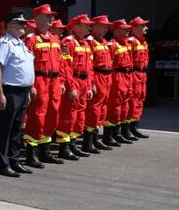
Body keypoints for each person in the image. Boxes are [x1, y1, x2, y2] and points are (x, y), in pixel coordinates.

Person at [0, 12, 35, 177]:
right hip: (9, 91)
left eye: (24, 24)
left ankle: (14, 160)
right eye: (20, 23)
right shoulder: (5, 43)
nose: (24, 26)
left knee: (17, 129)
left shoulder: (21, 44)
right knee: (5, 129)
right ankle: (2, 164)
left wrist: (28, 90)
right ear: (10, 26)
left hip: (22, 92)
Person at [23, 4, 65, 167]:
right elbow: (26, 65)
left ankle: (45, 150)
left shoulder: (55, 39)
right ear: (38, 19)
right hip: (39, 81)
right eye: (48, 16)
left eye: (52, 16)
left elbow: (60, 63)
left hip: (54, 82)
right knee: (37, 115)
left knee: (52, 114)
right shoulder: (31, 40)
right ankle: (31, 153)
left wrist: (60, 81)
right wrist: (30, 85)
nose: (51, 19)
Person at [55, 14, 95, 160]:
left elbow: (90, 67)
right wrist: (71, 86)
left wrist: (90, 86)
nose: (89, 27)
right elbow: (65, 66)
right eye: (86, 25)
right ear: (77, 26)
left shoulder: (85, 43)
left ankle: (72, 145)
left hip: (84, 83)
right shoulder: (68, 42)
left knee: (80, 115)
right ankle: (64, 148)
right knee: (69, 114)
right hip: (75, 81)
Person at [84, 15, 114, 152]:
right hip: (98, 76)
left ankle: (95, 139)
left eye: (107, 26)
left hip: (106, 77)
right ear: (94, 26)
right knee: (93, 110)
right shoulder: (90, 42)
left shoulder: (103, 42)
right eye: (103, 26)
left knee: (102, 109)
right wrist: (93, 83)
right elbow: (89, 65)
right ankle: (88, 142)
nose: (106, 28)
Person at [104, 19, 135, 146]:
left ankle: (118, 133)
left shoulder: (127, 44)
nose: (128, 30)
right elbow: (108, 65)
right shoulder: (112, 45)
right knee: (114, 106)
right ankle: (109, 135)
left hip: (128, 75)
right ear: (116, 30)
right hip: (117, 76)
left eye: (128, 28)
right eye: (124, 28)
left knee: (124, 106)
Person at [128, 16, 150, 139]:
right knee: (132, 101)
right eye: (143, 26)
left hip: (142, 74)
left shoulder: (143, 41)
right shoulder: (131, 41)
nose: (146, 28)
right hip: (134, 74)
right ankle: (129, 128)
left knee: (140, 100)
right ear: (135, 28)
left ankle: (135, 126)